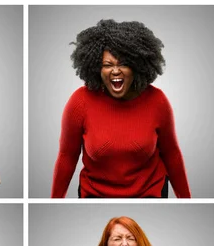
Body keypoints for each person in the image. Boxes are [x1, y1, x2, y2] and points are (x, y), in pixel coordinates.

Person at [51, 19, 191, 198]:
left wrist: (185, 200)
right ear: (96, 68)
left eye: (123, 64)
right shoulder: (80, 102)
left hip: (150, 192)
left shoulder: (157, 101)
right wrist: (56, 201)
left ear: (137, 66)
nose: (115, 71)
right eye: (107, 65)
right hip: (95, 194)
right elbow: (67, 157)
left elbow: (172, 155)